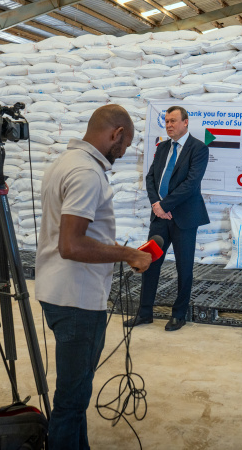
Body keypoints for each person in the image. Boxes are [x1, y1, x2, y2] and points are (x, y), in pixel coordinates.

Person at [35, 104, 152, 450]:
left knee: (77, 392)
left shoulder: (64, 163)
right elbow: (71, 244)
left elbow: (79, 234)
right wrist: (128, 254)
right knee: (71, 399)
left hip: (60, 289)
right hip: (76, 297)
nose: (123, 152)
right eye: (125, 144)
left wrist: (117, 249)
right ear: (115, 134)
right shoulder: (86, 172)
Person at [125, 105, 209, 332]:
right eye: (167, 121)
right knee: (149, 262)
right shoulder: (162, 147)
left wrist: (165, 204)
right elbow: (151, 177)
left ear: (186, 122)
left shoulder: (199, 149)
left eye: (173, 121)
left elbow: (191, 184)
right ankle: (144, 313)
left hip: (184, 217)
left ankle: (179, 314)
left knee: (184, 268)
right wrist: (156, 205)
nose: (169, 125)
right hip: (160, 217)